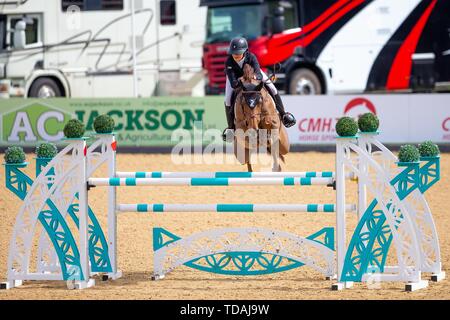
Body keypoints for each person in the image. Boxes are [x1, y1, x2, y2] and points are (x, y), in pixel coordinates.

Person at [223, 37, 296, 140]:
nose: (235, 55)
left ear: (245, 51)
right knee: (227, 100)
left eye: (238, 53)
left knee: (272, 88)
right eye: (233, 53)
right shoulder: (229, 62)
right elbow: (234, 84)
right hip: (236, 79)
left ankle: (284, 115)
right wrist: (242, 80)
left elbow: (259, 74)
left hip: (253, 75)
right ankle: (231, 128)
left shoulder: (251, 57)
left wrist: (256, 77)